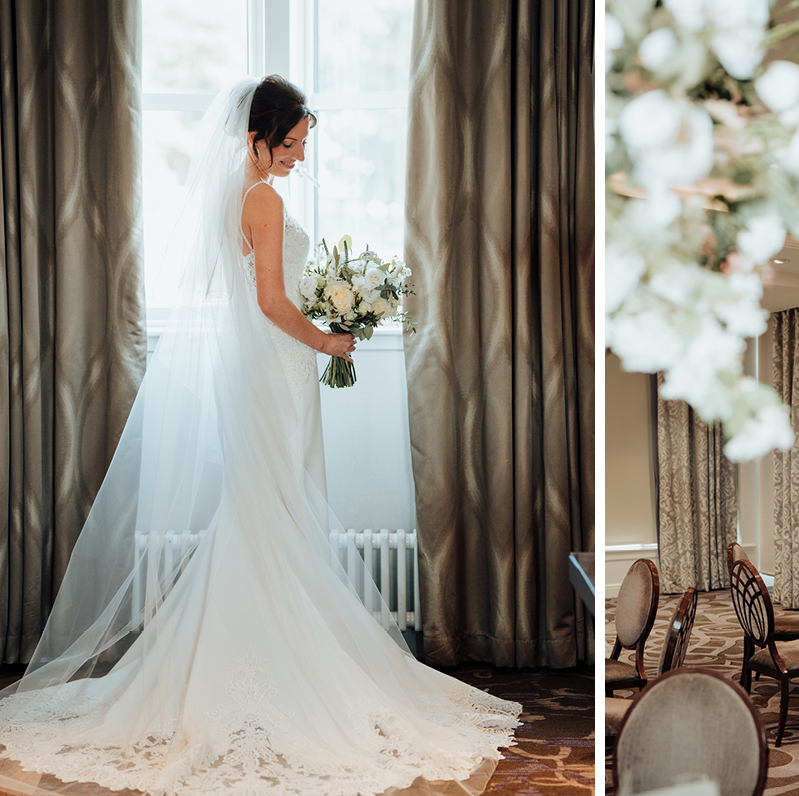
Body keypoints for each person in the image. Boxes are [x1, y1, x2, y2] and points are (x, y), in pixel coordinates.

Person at [0, 76, 520, 796]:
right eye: (293, 143)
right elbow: (273, 301)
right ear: (256, 137)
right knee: (278, 515)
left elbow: (263, 293)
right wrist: (331, 342)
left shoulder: (233, 197)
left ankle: (254, 664)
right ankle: (278, 675)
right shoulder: (264, 200)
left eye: (304, 144)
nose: (299, 156)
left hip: (261, 376)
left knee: (262, 516)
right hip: (278, 375)